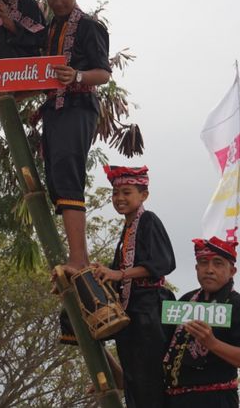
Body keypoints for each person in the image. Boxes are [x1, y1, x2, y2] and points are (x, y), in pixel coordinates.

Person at [34, 0, 112, 270]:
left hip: (79, 107)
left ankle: (79, 259)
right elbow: (39, 74)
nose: (58, 2)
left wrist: (76, 76)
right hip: (54, 109)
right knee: (55, 178)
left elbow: (103, 74)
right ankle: (72, 257)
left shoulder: (91, 26)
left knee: (68, 173)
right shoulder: (48, 27)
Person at [92, 165, 176, 408]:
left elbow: (162, 262)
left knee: (147, 377)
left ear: (143, 195)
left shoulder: (148, 220)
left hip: (149, 309)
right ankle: (119, 379)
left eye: (126, 192)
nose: (119, 199)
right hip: (133, 310)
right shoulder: (128, 228)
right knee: (135, 375)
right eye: (115, 193)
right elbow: (117, 271)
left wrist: (118, 273)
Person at [162, 232, 240, 408]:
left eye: (218, 263)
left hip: (216, 400)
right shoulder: (186, 300)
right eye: (203, 263)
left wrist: (212, 343)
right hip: (174, 400)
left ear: (232, 271)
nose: (209, 270)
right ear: (196, 268)